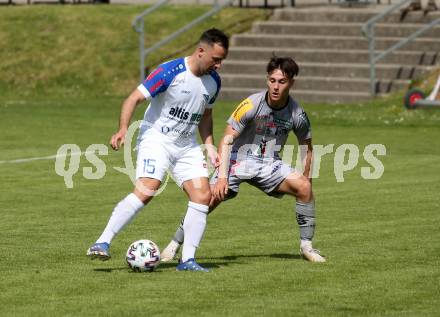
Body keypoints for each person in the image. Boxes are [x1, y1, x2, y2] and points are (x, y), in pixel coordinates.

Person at [86, 28, 229, 272]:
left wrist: (209, 145)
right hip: (156, 140)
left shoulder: (213, 82)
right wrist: (122, 129)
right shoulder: (169, 72)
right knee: (147, 189)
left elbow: (206, 115)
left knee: (202, 197)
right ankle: (102, 242)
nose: (218, 65)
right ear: (201, 51)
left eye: (222, 60)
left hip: (186, 146)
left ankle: (187, 260)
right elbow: (132, 99)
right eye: (216, 59)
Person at [161, 56, 326, 263]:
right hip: (236, 161)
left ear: (291, 82)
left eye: (282, 82)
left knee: (304, 188)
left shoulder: (297, 114)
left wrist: (308, 180)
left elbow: (307, 148)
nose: (275, 86)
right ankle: (174, 245)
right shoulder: (250, 104)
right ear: (267, 79)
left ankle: (307, 247)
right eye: (272, 80)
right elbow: (227, 140)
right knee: (206, 199)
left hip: (269, 165)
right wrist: (222, 177)